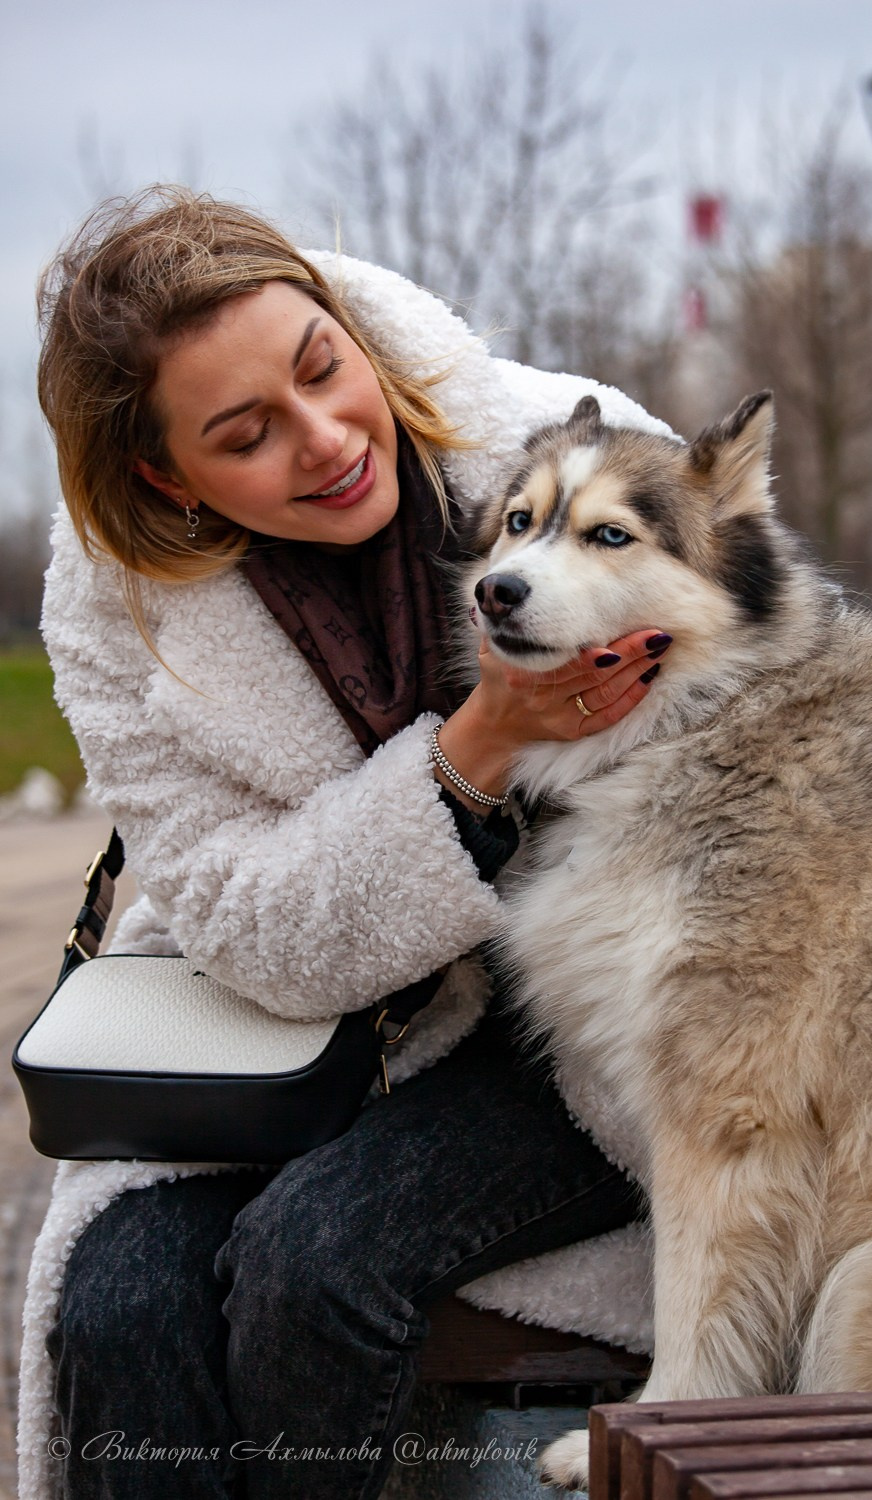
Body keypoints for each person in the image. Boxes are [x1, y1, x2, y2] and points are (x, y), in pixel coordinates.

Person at [23, 186, 675, 1500]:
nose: (325, 441)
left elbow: (771, 795)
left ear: (343, 324)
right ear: (165, 475)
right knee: (117, 1305)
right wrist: (478, 744)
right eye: (244, 436)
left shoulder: (585, 462)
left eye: (325, 368)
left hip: (587, 1033)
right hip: (296, 1036)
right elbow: (245, 922)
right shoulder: (114, 619)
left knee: (318, 1260)